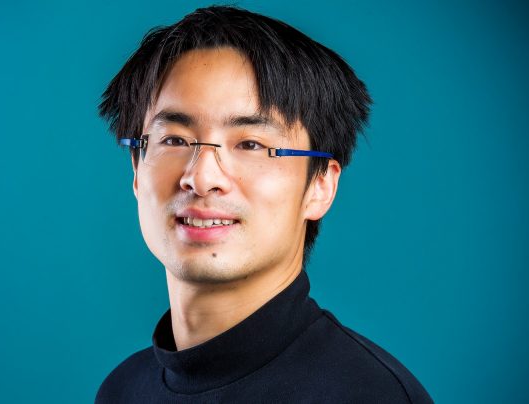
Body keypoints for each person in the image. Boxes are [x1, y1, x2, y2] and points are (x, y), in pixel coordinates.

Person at [95, 6, 432, 403]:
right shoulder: (123, 389)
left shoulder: (367, 394)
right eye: (174, 140)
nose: (202, 178)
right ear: (136, 169)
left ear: (320, 185)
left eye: (251, 145)